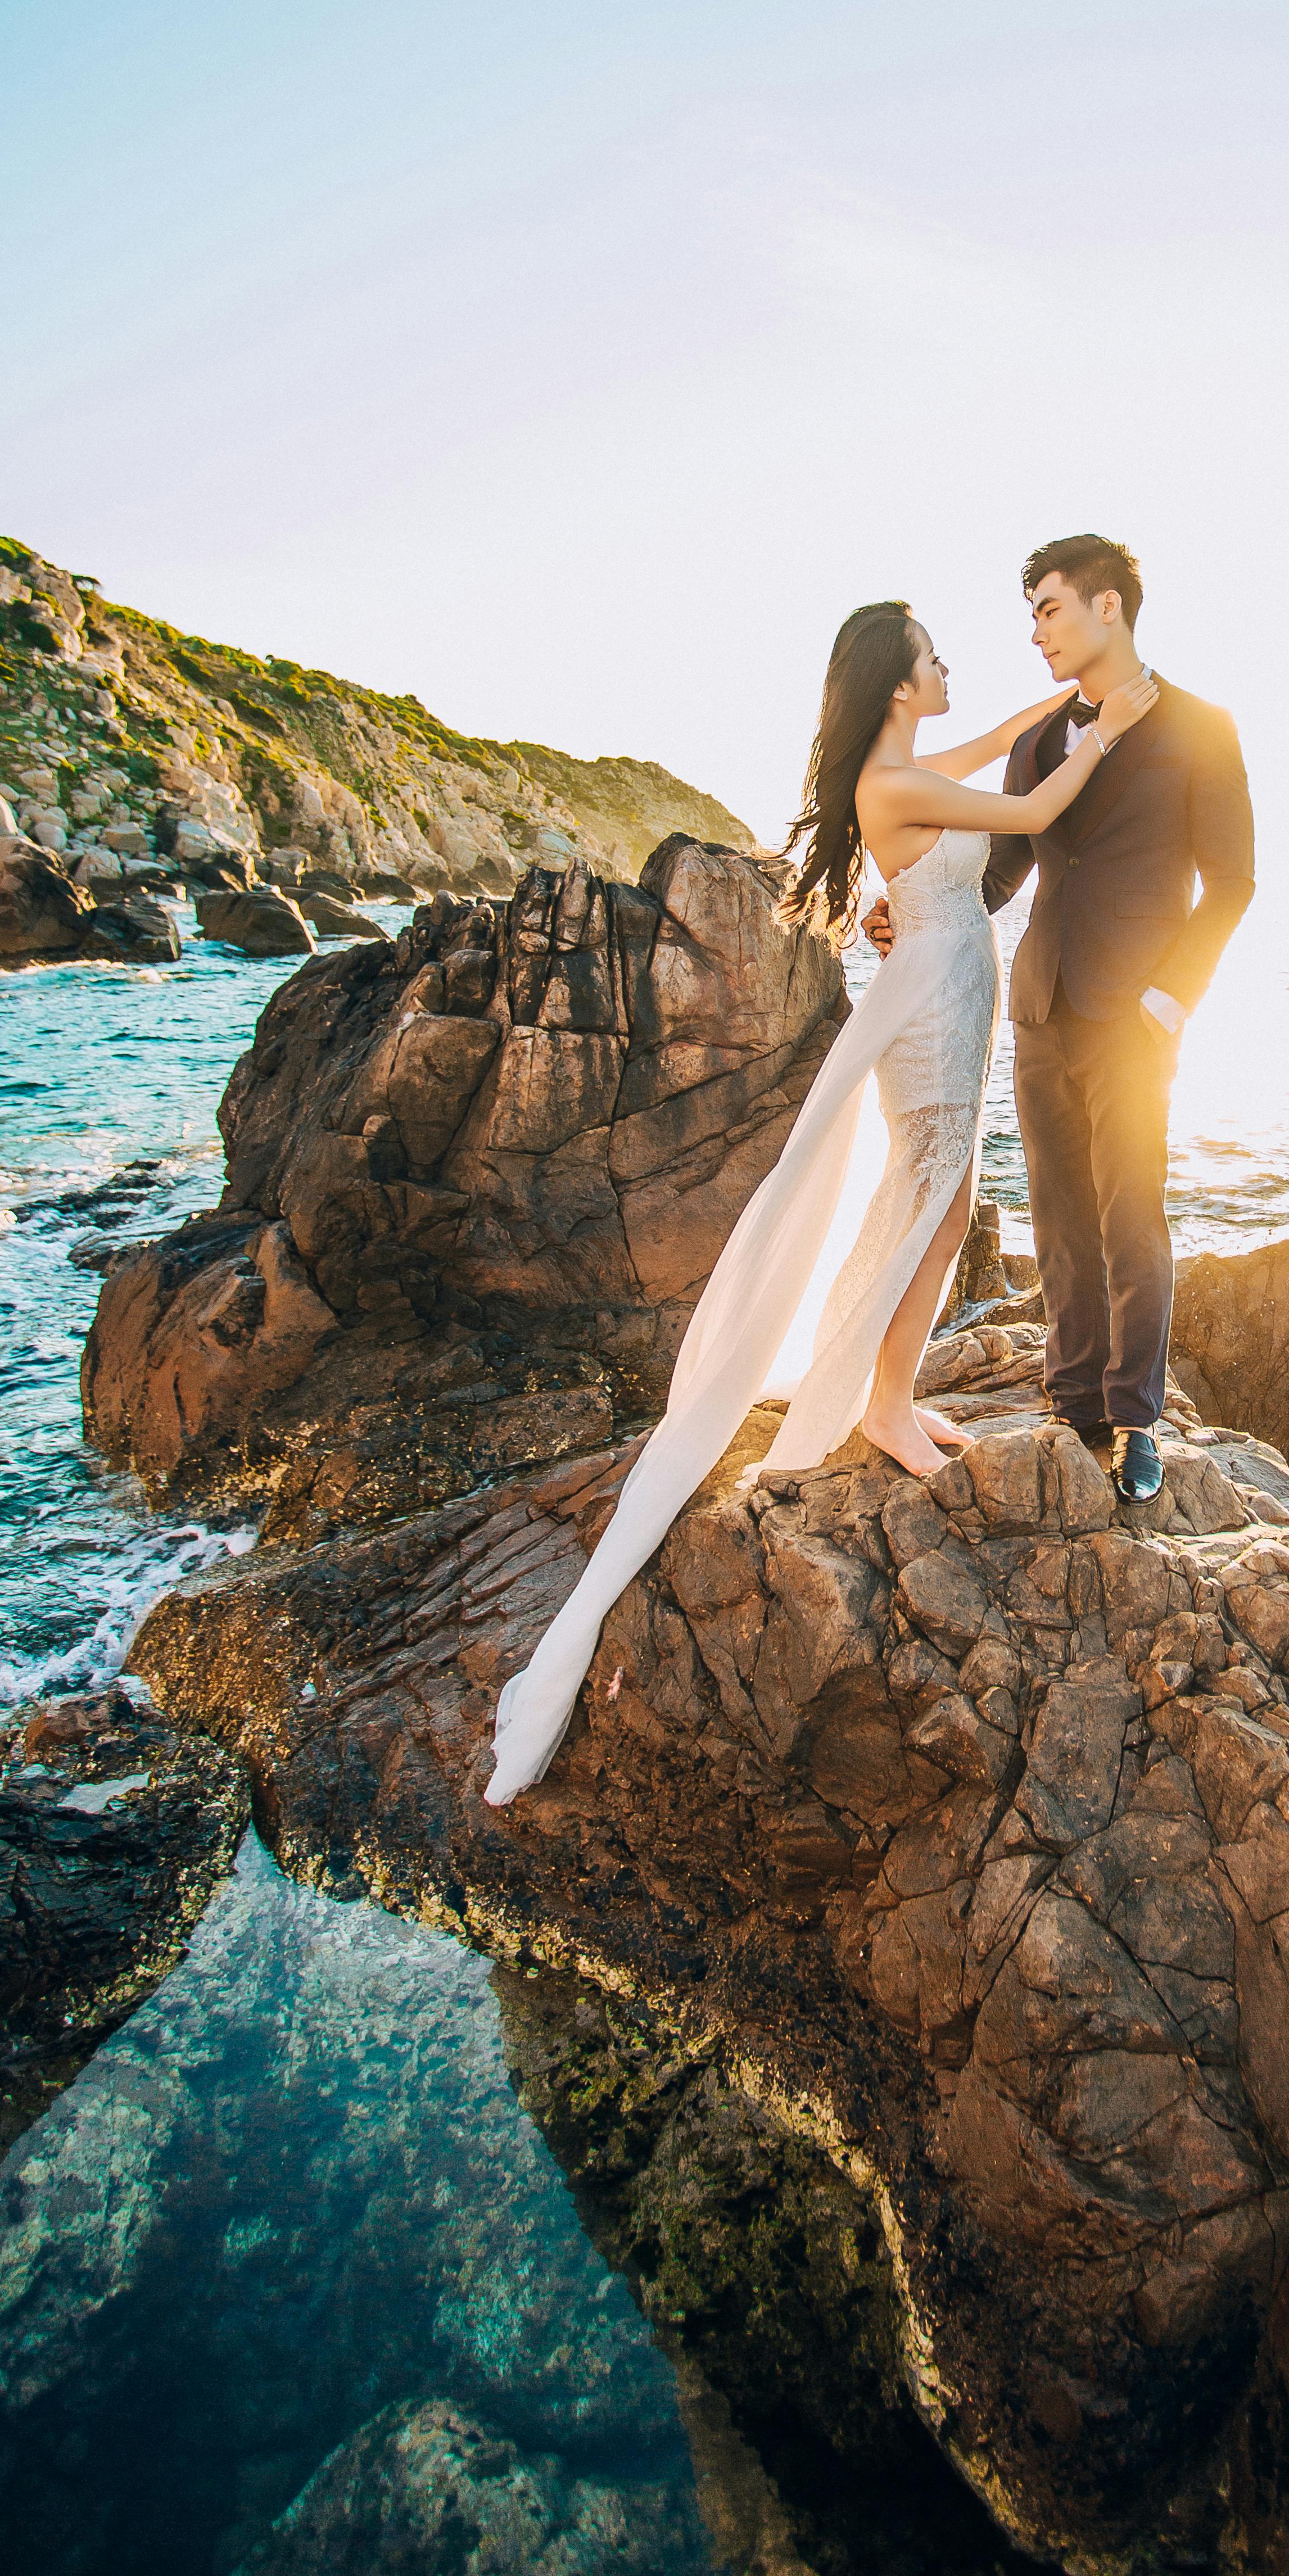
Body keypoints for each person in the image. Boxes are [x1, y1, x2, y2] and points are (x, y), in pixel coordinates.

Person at [483, 598, 1156, 1805]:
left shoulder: (906, 766)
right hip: (933, 1003)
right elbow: (1031, 811)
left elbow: (1003, 741)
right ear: (898, 682)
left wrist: (1074, 697)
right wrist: (1112, 733)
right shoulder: (896, 789)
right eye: (935, 656)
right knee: (934, 1202)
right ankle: (883, 1404)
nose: (952, 666)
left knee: (939, 1202)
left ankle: (885, 1394)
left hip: (949, 985)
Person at [870, 535, 1252, 1504]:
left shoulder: (1205, 727)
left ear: (1109, 607)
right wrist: (915, 900)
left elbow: (1234, 883)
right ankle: (1072, 1397)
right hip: (1038, 1006)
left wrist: (1172, 1000)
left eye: (1047, 607)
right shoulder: (1043, 743)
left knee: (1133, 1214)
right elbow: (1010, 867)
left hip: (1139, 1015)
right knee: (1060, 1219)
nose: (1034, 628)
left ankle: (1135, 1420)